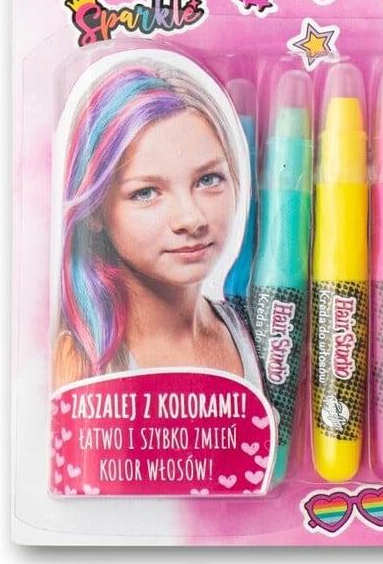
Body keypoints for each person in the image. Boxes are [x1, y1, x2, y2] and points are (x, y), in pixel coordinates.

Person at [53, 58, 261, 390]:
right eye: (146, 192)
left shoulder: (250, 332)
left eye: (208, 179)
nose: (191, 219)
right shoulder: (82, 357)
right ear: (94, 212)